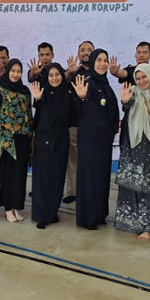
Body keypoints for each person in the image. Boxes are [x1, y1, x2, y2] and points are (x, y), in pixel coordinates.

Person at [114, 64, 150, 240]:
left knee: (148, 187)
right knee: (130, 184)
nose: (141, 81)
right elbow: (127, 110)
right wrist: (125, 102)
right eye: (137, 78)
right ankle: (130, 221)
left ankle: (149, 227)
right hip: (131, 146)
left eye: (144, 77)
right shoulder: (133, 92)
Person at [71, 48, 119, 230]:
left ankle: (99, 214)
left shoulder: (104, 84)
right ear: (92, 62)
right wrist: (82, 98)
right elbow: (78, 110)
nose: (102, 63)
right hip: (90, 141)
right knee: (90, 178)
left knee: (101, 178)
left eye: (105, 60)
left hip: (104, 142)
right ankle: (88, 217)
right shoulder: (87, 82)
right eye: (98, 60)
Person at [0, 59, 32, 223]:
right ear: (7, 72)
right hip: (6, 140)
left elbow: (28, 115)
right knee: (7, 175)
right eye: (13, 71)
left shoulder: (25, 91)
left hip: (22, 138)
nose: (15, 74)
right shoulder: (0, 90)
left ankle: (16, 206)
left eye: (18, 71)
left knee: (20, 174)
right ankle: (7, 208)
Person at [30, 63, 73, 229]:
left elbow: (73, 118)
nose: (54, 78)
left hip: (61, 142)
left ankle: (52, 212)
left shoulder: (67, 94)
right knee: (42, 179)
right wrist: (38, 100)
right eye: (51, 75)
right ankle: (41, 215)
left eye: (57, 74)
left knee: (57, 178)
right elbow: (39, 115)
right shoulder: (42, 93)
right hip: (43, 142)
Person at [62, 40, 94, 204]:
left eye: (89, 50)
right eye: (83, 50)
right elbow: (59, 84)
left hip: (92, 124)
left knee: (89, 159)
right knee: (72, 158)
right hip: (74, 122)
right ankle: (72, 191)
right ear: (78, 53)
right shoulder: (73, 71)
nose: (86, 53)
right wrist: (69, 72)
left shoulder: (98, 71)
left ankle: (88, 190)